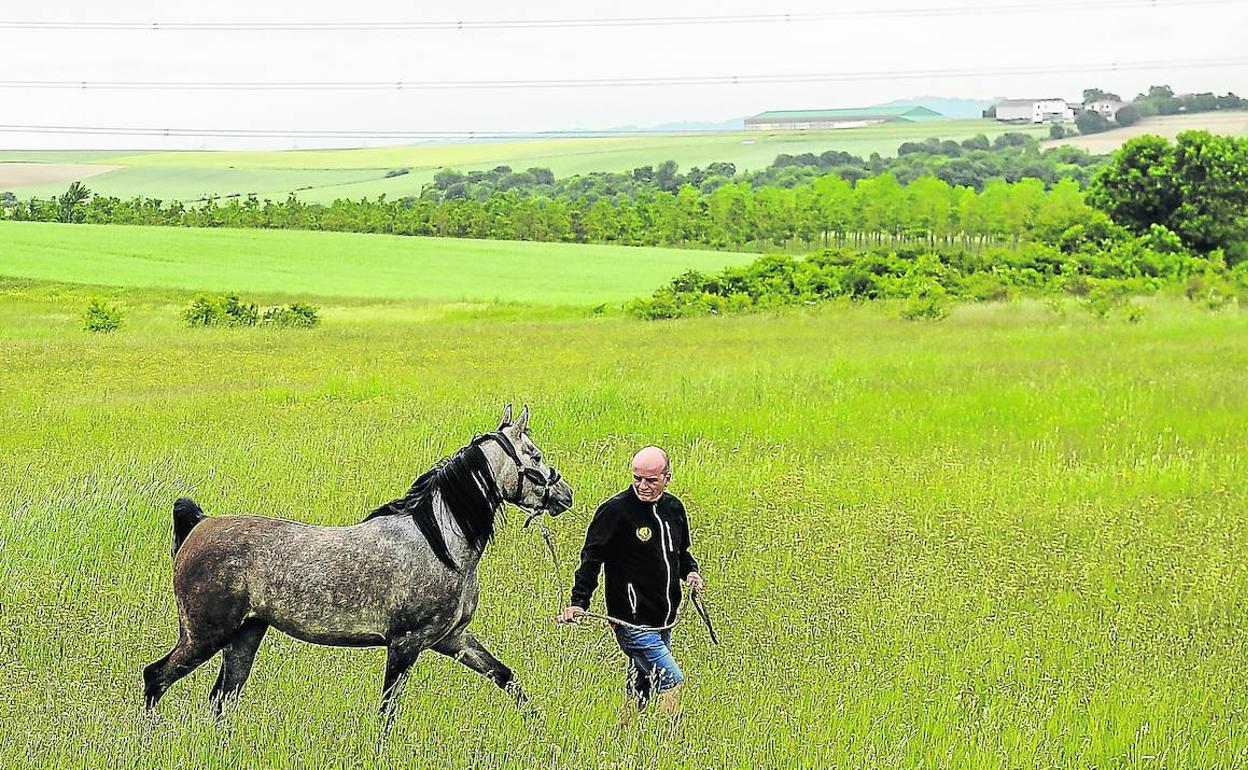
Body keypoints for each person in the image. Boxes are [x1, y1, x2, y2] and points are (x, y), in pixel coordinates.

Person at [560, 446, 704, 718]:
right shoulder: (615, 511)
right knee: (671, 680)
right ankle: (667, 748)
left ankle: (623, 739)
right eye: (637, 478)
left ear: (667, 477)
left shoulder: (674, 508)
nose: (643, 485)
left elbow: (681, 554)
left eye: (651, 480)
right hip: (631, 622)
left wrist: (691, 573)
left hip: (663, 619)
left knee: (641, 685)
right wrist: (578, 603)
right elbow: (591, 561)